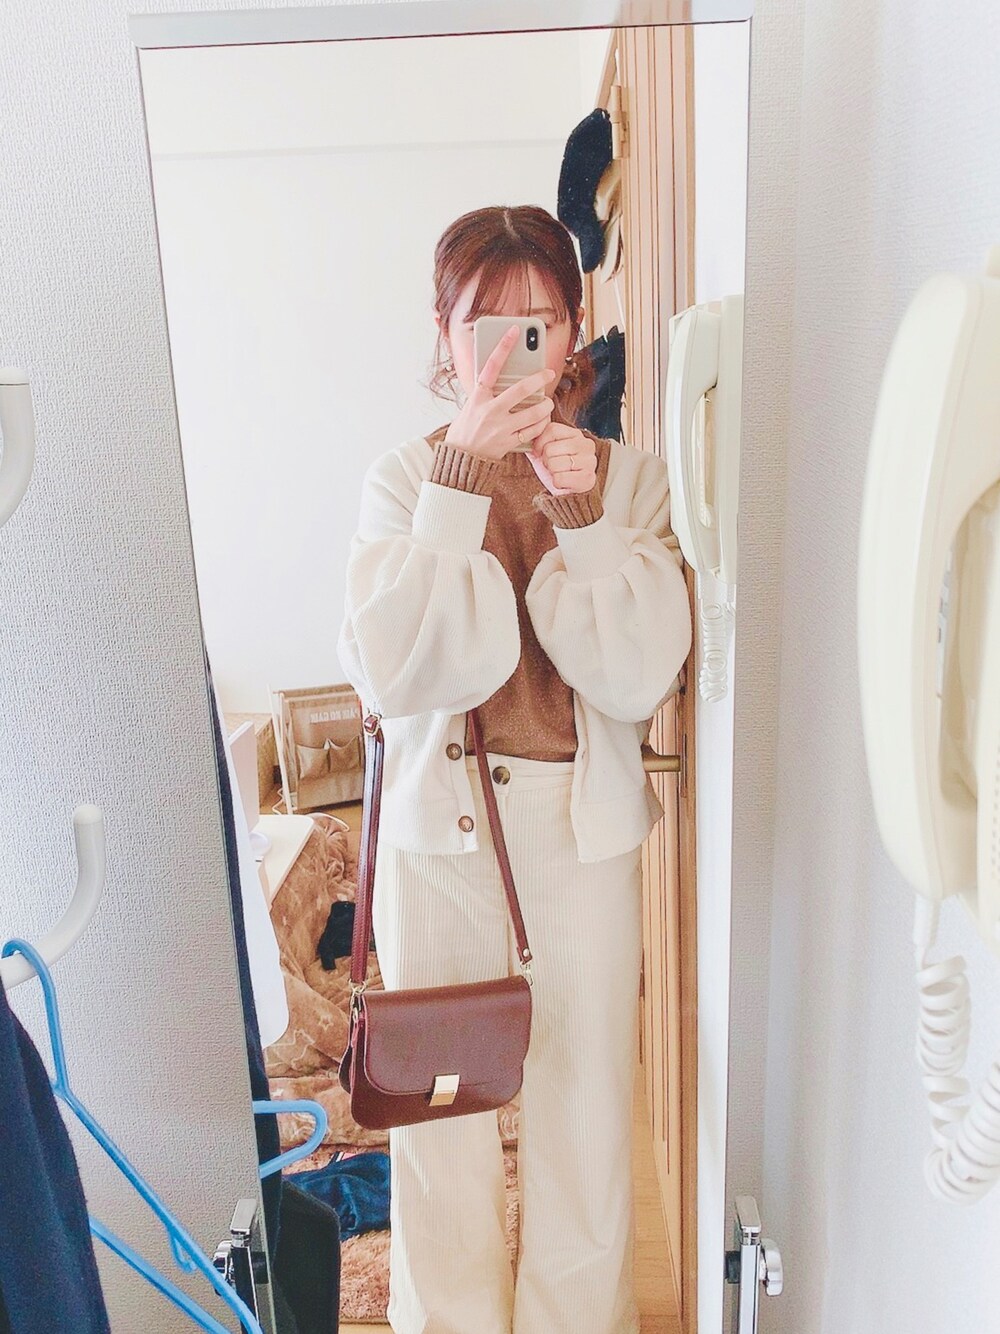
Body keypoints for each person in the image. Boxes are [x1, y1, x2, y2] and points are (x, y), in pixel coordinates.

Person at [337, 204, 692, 1334]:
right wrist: (459, 481)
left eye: (538, 321)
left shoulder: (628, 479)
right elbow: (394, 668)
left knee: (584, 1121)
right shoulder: (404, 480)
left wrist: (580, 510)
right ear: (445, 339)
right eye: (485, 323)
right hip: (437, 840)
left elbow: (638, 674)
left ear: (573, 332)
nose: (512, 349)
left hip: (578, 837)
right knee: (439, 1126)